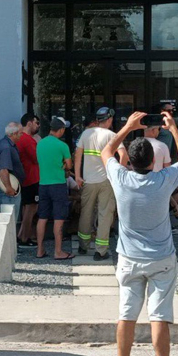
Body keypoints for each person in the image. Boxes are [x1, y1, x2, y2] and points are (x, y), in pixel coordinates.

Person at [100, 111, 178, 356]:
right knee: (159, 316)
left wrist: (127, 127)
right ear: (153, 161)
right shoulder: (163, 179)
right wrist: (173, 128)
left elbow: (106, 151)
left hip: (129, 258)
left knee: (126, 315)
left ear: (130, 160)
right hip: (161, 257)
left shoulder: (120, 177)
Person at [75, 107, 118, 260]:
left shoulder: (86, 134)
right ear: (110, 119)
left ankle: (83, 246)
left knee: (86, 212)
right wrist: (118, 175)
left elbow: (78, 155)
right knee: (105, 214)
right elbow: (124, 155)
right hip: (106, 181)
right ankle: (101, 251)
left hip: (88, 181)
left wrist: (78, 176)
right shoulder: (112, 135)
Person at [36, 117, 75, 259]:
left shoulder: (40, 144)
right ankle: (58, 252)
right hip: (58, 184)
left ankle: (40, 250)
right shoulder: (62, 146)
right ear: (61, 130)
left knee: (42, 217)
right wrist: (63, 166)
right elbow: (69, 165)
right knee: (59, 218)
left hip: (43, 184)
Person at [15, 114, 42, 248]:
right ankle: (24, 238)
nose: (38, 126)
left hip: (26, 178)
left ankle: (22, 235)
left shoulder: (20, 139)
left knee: (27, 207)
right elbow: (37, 158)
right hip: (31, 178)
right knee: (31, 208)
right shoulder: (27, 140)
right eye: (36, 123)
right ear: (30, 123)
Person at [0, 121, 25, 223]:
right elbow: (3, 169)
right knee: (8, 222)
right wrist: (9, 188)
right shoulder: (6, 147)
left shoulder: (6, 144)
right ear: (14, 134)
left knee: (8, 221)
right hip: (9, 190)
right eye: (20, 133)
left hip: (11, 187)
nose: (22, 135)